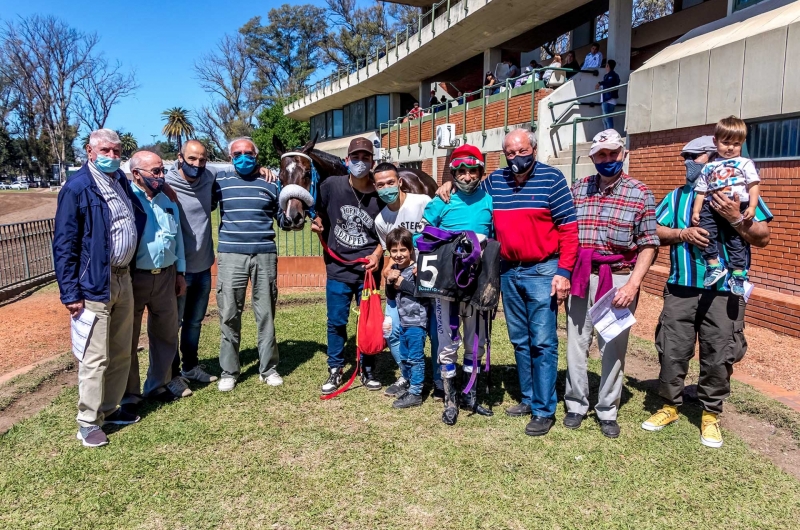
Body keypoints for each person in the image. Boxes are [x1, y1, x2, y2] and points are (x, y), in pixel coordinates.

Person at [435, 130, 579, 437]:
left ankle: (543, 409)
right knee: (520, 340)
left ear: (534, 149)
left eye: (521, 151)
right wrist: (446, 184)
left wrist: (564, 272)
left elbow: (569, 229)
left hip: (543, 269)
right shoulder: (494, 182)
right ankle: (527, 398)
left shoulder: (553, 180)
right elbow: (466, 186)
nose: (516, 158)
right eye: (510, 153)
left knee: (542, 341)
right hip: (507, 271)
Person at [642, 135, 772, 448]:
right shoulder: (677, 196)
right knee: (672, 349)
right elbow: (654, 230)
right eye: (686, 157)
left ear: (717, 159)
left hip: (725, 290)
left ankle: (710, 413)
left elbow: (763, 236)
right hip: (682, 287)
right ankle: (670, 406)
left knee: (718, 354)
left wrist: (735, 218)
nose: (690, 163)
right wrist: (681, 233)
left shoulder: (738, 192)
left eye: (696, 157)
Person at [565, 129, 659, 438]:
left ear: (624, 154)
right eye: (601, 154)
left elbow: (649, 243)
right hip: (582, 275)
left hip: (618, 277)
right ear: (592, 157)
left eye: (613, 153)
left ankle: (607, 409)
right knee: (577, 343)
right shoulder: (578, 189)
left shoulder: (640, 192)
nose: (608, 159)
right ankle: (576, 404)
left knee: (613, 347)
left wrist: (633, 284)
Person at [53, 128, 141, 448]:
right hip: (94, 285)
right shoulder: (77, 188)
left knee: (120, 352)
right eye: (105, 151)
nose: (112, 157)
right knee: (95, 356)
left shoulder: (121, 183)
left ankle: (109, 409)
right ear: (90, 152)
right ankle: (88, 422)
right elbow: (64, 245)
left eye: (117, 152)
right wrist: (70, 293)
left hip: (123, 278)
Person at [421, 144, 494, 426]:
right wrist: (452, 241)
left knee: (476, 341)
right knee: (447, 340)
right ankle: (450, 401)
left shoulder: (489, 199)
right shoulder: (442, 199)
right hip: (447, 281)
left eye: (472, 170)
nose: (466, 177)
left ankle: (470, 395)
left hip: (478, 282)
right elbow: (422, 235)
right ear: (453, 173)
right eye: (460, 171)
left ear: (480, 171)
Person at [312, 137, 385, 395]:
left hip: (368, 271)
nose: (360, 162)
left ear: (372, 162)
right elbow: (319, 211)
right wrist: (318, 221)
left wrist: (377, 255)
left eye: (366, 158)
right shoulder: (331, 186)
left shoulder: (380, 195)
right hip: (338, 270)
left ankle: (367, 368)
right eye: (355, 158)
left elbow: (388, 234)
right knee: (336, 321)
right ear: (347, 161)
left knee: (368, 321)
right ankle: (335, 368)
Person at [214, 137, 288, 392]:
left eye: (248, 153)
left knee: (266, 313)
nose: (243, 157)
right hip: (230, 255)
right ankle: (229, 371)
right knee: (229, 314)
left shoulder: (271, 181)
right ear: (230, 157)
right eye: (237, 154)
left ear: (257, 156)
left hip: (264, 255)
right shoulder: (220, 181)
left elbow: (283, 219)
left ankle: (268, 369)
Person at [121, 151, 187, 413]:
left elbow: (178, 238)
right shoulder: (126, 199)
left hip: (166, 276)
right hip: (134, 277)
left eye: (163, 171)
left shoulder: (168, 200)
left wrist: (180, 273)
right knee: (128, 337)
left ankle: (157, 385)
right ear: (136, 174)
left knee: (166, 334)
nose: (161, 176)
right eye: (155, 172)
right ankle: (130, 395)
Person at [373, 162, 438, 399]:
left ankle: (440, 381)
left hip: (428, 280)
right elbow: (389, 254)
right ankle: (407, 375)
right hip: (399, 284)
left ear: (399, 181)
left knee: (434, 334)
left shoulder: (421, 202)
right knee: (391, 331)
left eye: (391, 182)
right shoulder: (381, 219)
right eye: (381, 185)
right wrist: (386, 274)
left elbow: (440, 229)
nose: (386, 187)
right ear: (375, 187)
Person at [165, 140, 219, 391]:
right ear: (180, 158)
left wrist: (263, 169)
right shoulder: (165, 184)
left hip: (203, 267)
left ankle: (190, 366)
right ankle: (171, 375)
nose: (197, 164)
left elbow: (235, 167)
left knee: (194, 322)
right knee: (172, 324)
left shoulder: (209, 176)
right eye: (191, 159)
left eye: (202, 159)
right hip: (178, 271)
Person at [691, 116, 761, 296]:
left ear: (743, 143)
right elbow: (701, 191)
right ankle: (714, 265)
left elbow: (753, 185)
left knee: (736, 240)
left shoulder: (745, 163)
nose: (730, 147)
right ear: (715, 141)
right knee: (706, 234)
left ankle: (738, 273)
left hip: (737, 205)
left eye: (736, 144)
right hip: (711, 206)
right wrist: (696, 211)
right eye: (726, 142)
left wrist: (752, 207)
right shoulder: (709, 166)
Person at [384, 227, 428, 409]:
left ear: (411, 250)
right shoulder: (393, 269)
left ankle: (416, 392)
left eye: (403, 250)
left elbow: (423, 293)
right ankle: (409, 384)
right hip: (403, 321)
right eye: (394, 251)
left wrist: (403, 283)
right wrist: (389, 281)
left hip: (417, 321)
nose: (399, 254)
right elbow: (391, 296)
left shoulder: (418, 269)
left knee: (415, 357)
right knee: (404, 355)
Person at [596, 59, 621, 131]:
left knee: (608, 118)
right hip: (606, 99)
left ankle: (610, 134)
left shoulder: (613, 75)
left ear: (608, 66)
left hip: (608, 100)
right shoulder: (607, 76)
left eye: (606, 65)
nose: (605, 67)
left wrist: (600, 83)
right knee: (604, 119)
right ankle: (606, 135)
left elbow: (609, 83)